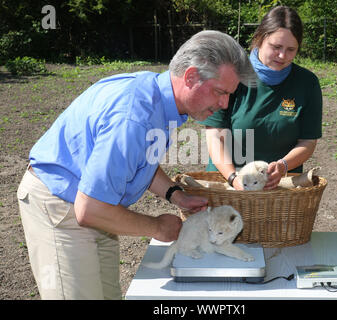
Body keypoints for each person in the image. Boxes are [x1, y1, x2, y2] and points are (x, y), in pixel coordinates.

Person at [17, 30, 257, 300]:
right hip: (61, 206)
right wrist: (157, 227)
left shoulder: (159, 98)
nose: (223, 104)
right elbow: (90, 209)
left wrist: (175, 195)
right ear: (190, 77)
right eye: (219, 92)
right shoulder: (135, 117)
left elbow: (142, 159)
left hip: (92, 204)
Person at [199, 6, 323, 190]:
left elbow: (308, 141)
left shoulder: (307, 83)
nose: (282, 56)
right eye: (276, 47)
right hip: (228, 185)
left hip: (280, 188)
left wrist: (283, 166)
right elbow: (216, 135)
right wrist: (234, 178)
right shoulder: (232, 75)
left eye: (291, 49)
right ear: (260, 38)